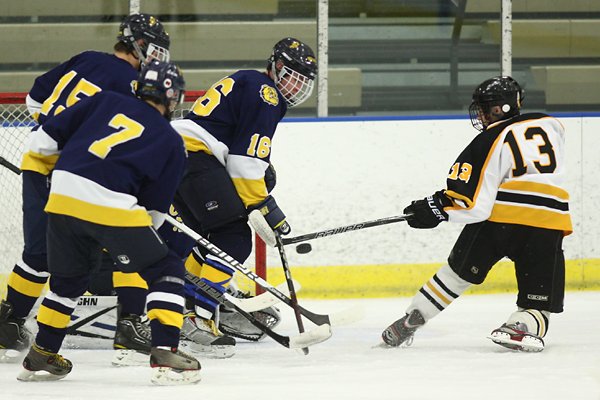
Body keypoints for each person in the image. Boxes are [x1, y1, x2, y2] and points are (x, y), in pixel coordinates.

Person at [16, 60, 201, 385]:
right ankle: (165, 352)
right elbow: (154, 215)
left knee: (67, 281)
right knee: (167, 268)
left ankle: (43, 351)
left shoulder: (104, 100)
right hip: (111, 205)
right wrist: (119, 237)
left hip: (61, 197)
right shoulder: (172, 141)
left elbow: (42, 141)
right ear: (173, 98)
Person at [0, 13, 170, 365]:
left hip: (39, 161)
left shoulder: (87, 58)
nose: (156, 57)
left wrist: (58, 132)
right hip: (79, 172)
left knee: (38, 251)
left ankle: (8, 322)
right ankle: (129, 322)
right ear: (137, 44)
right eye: (154, 49)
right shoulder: (131, 83)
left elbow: (35, 99)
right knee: (124, 242)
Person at [381, 76, 572, 353]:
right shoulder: (552, 126)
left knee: (456, 274)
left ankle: (415, 315)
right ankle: (522, 325)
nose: (481, 115)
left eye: (485, 108)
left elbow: (472, 204)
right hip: (548, 222)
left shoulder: (488, 140)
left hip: (500, 220)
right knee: (538, 299)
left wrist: (434, 209)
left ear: (500, 108)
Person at [169, 37, 317, 357]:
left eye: (304, 81)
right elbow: (245, 162)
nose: (297, 86)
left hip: (176, 153)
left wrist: (259, 201)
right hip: (194, 155)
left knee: (209, 240)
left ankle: (182, 309)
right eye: (293, 77)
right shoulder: (267, 94)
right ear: (276, 66)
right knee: (233, 237)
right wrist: (265, 207)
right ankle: (199, 319)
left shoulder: (249, 82)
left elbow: (240, 156)